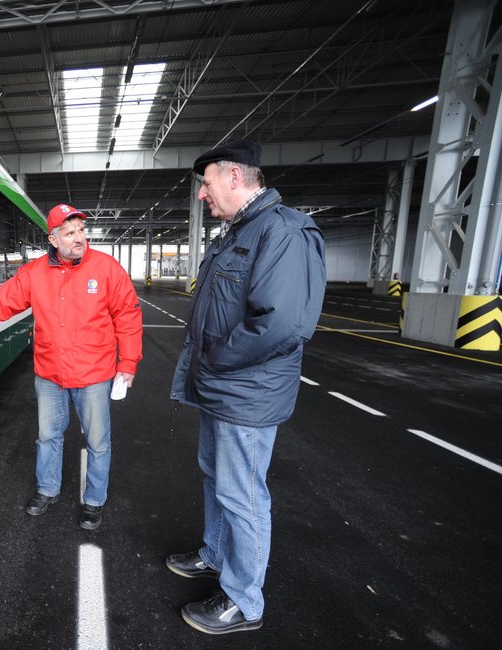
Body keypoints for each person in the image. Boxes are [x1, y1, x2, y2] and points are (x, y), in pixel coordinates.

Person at [167, 140, 326, 634]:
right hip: (223, 388)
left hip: (246, 391)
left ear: (235, 177)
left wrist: (214, 358)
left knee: (243, 495)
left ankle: (243, 601)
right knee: (217, 477)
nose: (202, 196)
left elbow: (281, 325)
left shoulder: (282, 231)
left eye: (207, 184)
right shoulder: (240, 231)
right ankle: (215, 554)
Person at [0, 204, 143, 530]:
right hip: (50, 375)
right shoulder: (34, 274)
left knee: (98, 441)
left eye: (81, 230)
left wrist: (128, 363)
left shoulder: (106, 268)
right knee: (48, 437)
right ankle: (47, 490)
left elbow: (128, 315)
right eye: (70, 232)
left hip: (93, 375)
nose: (79, 238)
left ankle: (94, 501)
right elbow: (1, 302)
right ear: (53, 238)